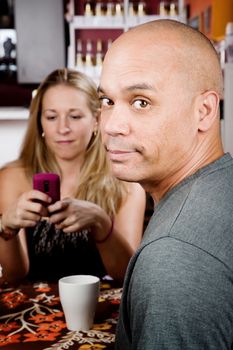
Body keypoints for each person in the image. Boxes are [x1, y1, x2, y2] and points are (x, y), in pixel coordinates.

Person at [99, 19, 233, 349]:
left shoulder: (174, 259)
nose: (112, 125)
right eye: (107, 101)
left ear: (203, 111)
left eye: (141, 102)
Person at [0, 68, 146, 285]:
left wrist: (100, 221)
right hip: (33, 310)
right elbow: (15, 275)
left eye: (75, 116)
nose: (63, 128)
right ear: (40, 122)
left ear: (96, 120)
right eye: (51, 117)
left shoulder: (125, 181)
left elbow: (126, 275)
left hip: (100, 308)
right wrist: (6, 228)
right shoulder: (12, 177)